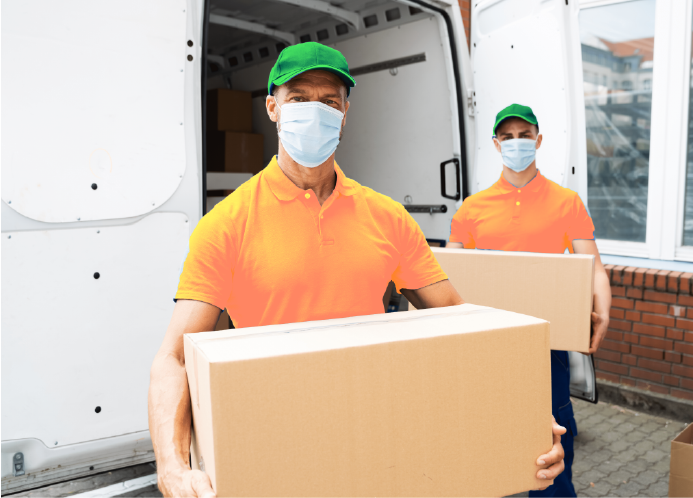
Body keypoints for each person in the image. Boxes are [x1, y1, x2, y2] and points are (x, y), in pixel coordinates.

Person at [148, 45, 567, 498]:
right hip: (274, 441)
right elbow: (172, 357)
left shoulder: (387, 217)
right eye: (298, 98)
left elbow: (462, 329)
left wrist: (522, 416)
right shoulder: (226, 225)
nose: (316, 110)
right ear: (272, 107)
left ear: (345, 112)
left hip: (375, 438)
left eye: (330, 101)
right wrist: (171, 466)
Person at [447, 103, 612, 497]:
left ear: (538, 141)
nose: (516, 143)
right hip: (486, 342)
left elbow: (593, 267)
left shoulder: (566, 201)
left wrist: (603, 309)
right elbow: (448, 272)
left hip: (546, 342)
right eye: (508, 137)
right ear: (495, 143)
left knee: (550, 445)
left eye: (524, 136)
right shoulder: (472, 208)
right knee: (482, 437)